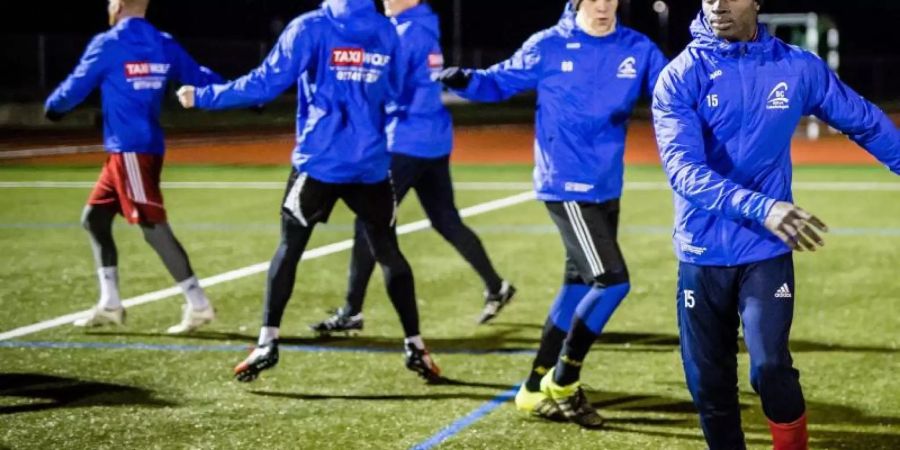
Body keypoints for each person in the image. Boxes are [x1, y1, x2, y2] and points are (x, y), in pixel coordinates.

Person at [652, 1, 900, 448]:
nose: (717, 5)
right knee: (709, 386)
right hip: (702, 250)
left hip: (765, 249)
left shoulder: (797, 67)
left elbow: (863, 121)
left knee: (770, 369)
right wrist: (762, 207)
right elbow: (684, 170)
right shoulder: (680, 76)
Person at [176, 0, 442, 383]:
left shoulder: (311, 27)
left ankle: (267, 341)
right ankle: (416, 345)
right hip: (370, 164)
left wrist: (204, 96)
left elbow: (266, 82)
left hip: (319, 162)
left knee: (290, 248)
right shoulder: (386, 30)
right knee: (388, 251)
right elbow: (397, 88)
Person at [437, 0, 667, 427]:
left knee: (578, 290)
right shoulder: (549, 45)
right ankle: (564, 382)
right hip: (564, 184)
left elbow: (672, 92)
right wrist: (465, 79)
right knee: (612, 282)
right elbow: (499, 81)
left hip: (606, 187)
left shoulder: (639, 48)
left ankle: (530, 390)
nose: (602, 6)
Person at [309, 0, 516, 336]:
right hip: (433, 141)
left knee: (368, 225)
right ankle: (496, 286)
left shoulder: (404, 33)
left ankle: (351, 312)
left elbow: (388, 89)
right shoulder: (424, 28)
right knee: (446, 220)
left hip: (404, 142)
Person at [44, 0, 222, 334]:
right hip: (137, 148)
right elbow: (198, 75)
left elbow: (76, 85)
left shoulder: (108, 43)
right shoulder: (164, 42)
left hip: (130, 150)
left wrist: (53, 108)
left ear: (119, 5)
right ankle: (110, 303)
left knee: (153, 227)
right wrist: (237, 93)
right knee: (94, 219)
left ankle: (198, 304)